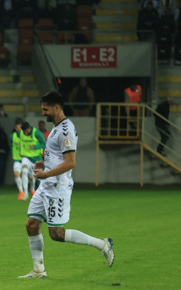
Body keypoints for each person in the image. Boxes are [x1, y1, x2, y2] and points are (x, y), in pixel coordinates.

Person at [19, 91, 114, 279]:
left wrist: (46, 173)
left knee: (56, 234)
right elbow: (57, 158)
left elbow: (71, 162)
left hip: (57, 187)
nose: (43, 113)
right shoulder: (55, 128)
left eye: (46, 109)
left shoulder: (65, 130)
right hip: (46, 185)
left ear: (56, 107)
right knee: (31, 224)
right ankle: (38, 270)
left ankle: (103, 244)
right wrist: (44, 164)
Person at [19, 122, 45, 199]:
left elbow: (44, 144)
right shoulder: (21, 133)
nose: (25, 133)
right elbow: (21, 143)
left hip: (36, 158)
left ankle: (40, 193)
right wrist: (20, 151)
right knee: (24, 171)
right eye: (24, 131)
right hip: (26, 157)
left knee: (39, 177)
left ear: (29, 128)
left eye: (26, 131)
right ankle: (25, 193)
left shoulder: (37, 133)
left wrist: (35, 146)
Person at [11, 120, 25, 200]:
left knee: (30, 177)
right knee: (16, 174)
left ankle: (32, 190)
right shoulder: (12, 136)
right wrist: (13, 154)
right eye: (16, 127)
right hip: (17, 159)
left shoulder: (26, 136)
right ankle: (21, 191)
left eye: (19, 127)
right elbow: (11, 145)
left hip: (26, 158)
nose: (18, 128)